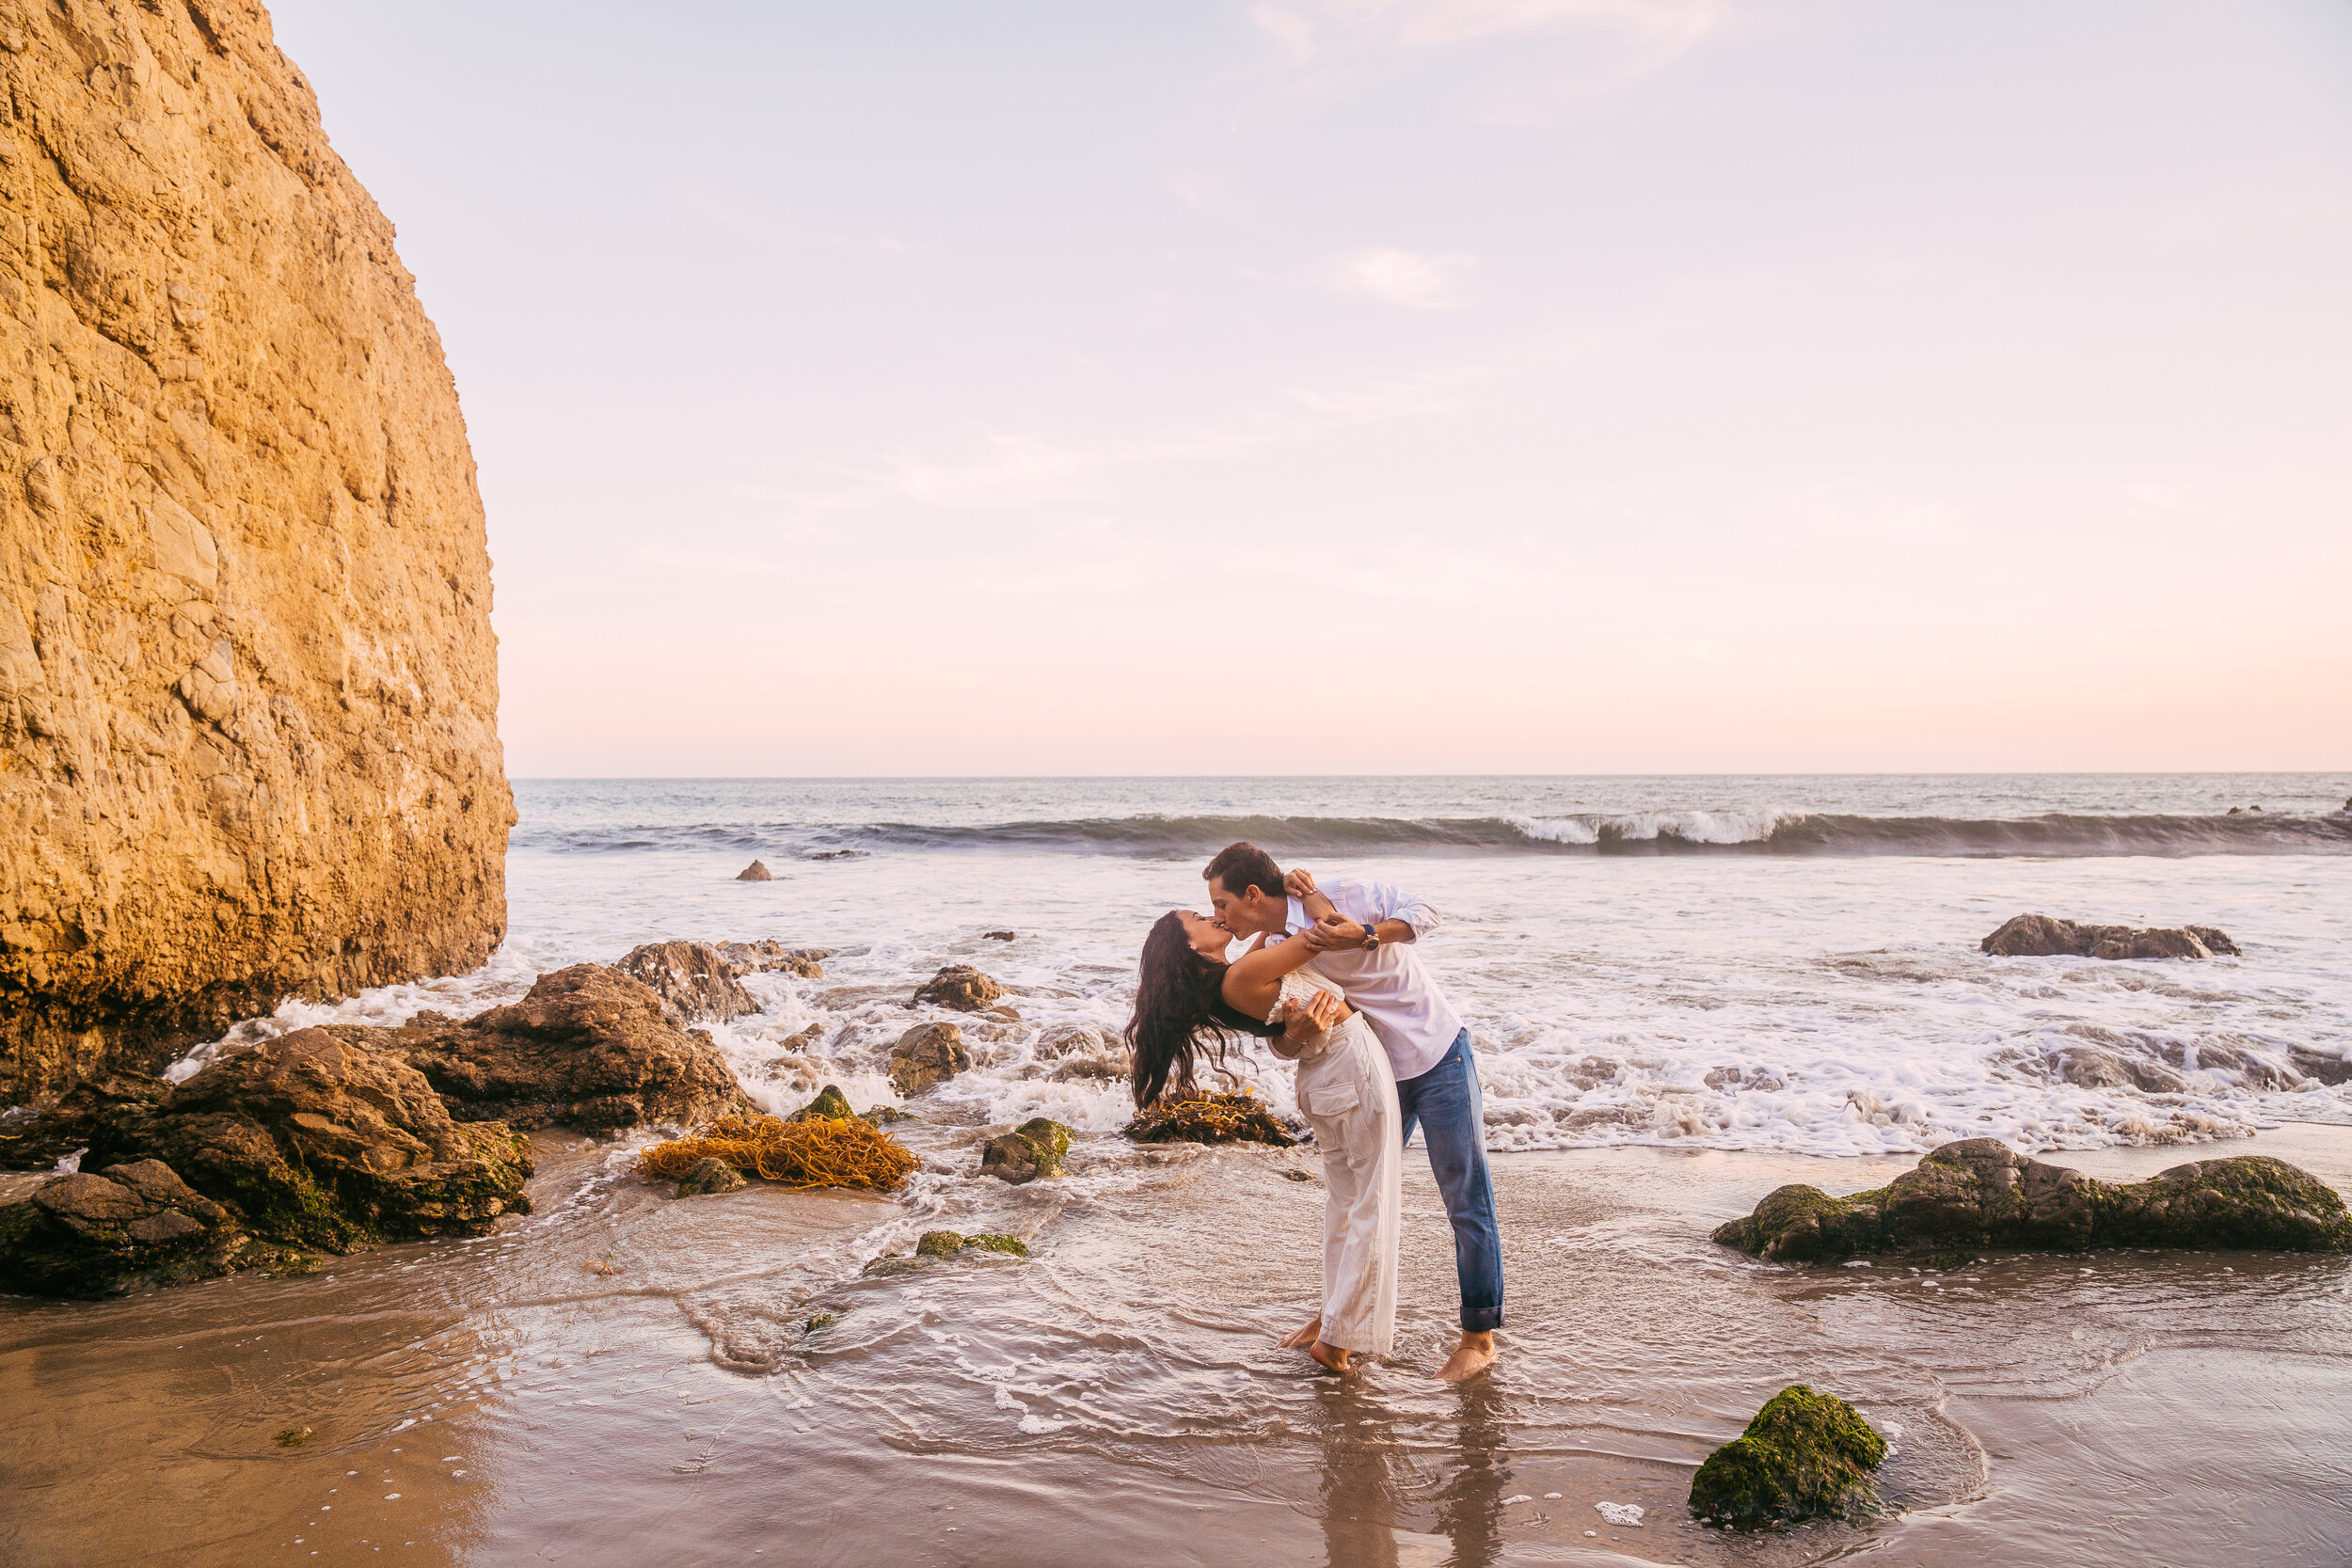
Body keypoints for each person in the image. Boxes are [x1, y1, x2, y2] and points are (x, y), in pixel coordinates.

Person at [1201, 841, 1502, 1383]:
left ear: (1251, 894)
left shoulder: (1341, 894)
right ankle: (1335, 1320)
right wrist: (1296, 1034)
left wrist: (1366, 934)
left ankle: (1478, 1340)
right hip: (1376, 1074)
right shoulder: (1270, 947)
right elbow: (1284, 1042)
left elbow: (1426, 913)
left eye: (1222, 904)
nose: (1218, 916)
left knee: (1464, 1196)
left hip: (1436, 1054)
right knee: (1354, 1201)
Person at [1126, 892, 1402, 1375]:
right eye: (1200, 916)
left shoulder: (1228, 980)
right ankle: (1337, 1341)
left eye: (1215, 905)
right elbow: (1318, 938)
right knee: (1371, 1206)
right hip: (1350, 1067)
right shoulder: (1240, 977)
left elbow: (1278, 1026)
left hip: (1322, 1078)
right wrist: (1303, 893)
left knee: (1345, 1207)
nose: (1212, 914)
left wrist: (1255, 916)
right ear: (1189, 946)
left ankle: (1330, 1323)